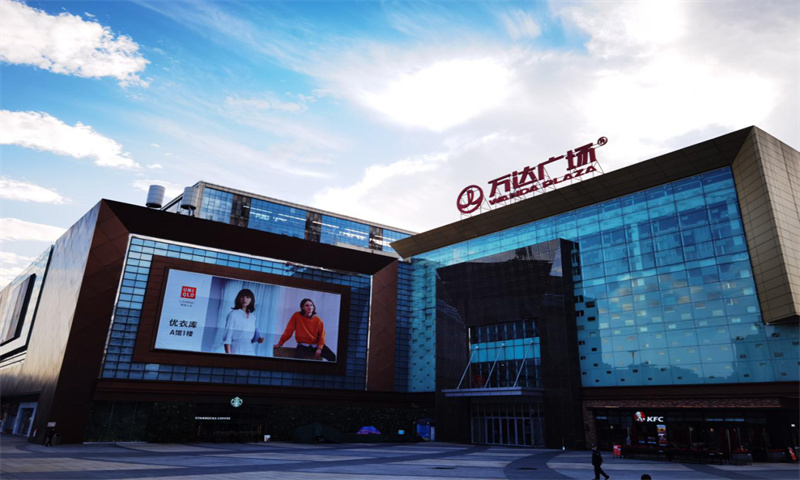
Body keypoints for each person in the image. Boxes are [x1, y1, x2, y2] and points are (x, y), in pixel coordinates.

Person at [222, 288, 263, 355]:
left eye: (247, 297)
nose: (244, 299)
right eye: (242, 297)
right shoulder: (233, 314)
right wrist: (229, 356)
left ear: (251, 300)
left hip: (250, 349)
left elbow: (251, 337)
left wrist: (258, 340)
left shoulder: (253, 317)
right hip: (237, 347)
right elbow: (227, 338)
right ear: (238, 298)